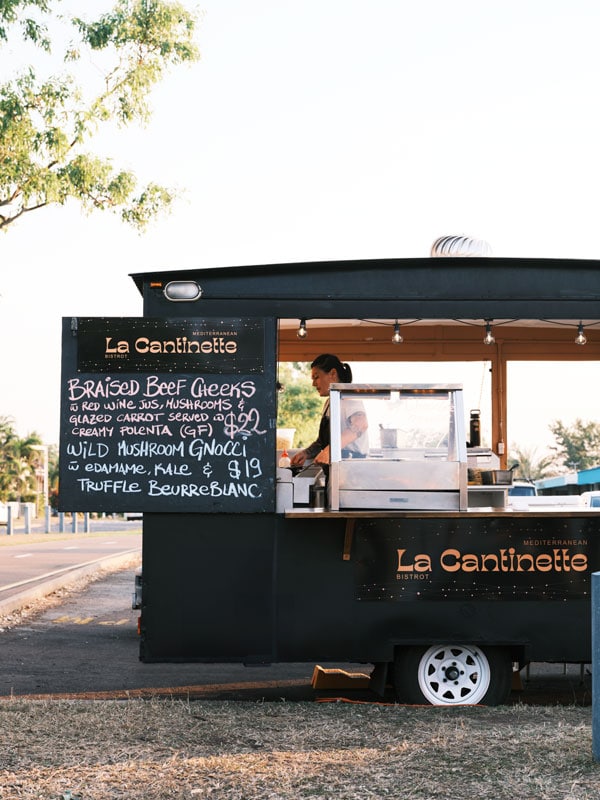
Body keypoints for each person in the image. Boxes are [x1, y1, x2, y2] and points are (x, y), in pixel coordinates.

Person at [291, 353, 368, 466]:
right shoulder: (330, 402)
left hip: (353, 470)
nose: (313, 384)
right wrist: (306, 453)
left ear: (332, 373)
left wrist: (330, 450)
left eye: (316, 377)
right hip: (336, 471)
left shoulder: (349, 397)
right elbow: (322, 442)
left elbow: (361, 424)